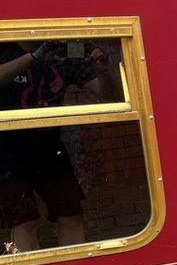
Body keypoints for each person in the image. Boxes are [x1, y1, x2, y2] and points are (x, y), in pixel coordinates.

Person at [0, 40, 115, 252]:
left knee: (70, 214)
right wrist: (33, 57)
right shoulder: (4, 47)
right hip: (6, 152)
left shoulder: (63, 54)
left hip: (49, 148)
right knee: (24, 222)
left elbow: (108, 96)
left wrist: (102, 69)